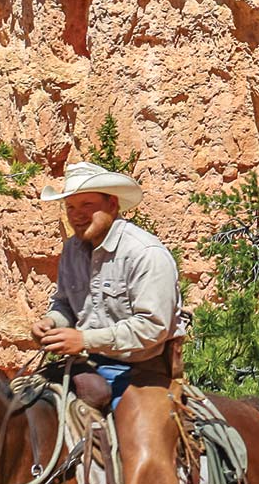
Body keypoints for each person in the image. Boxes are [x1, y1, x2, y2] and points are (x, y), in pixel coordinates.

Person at [31, 161, 186, 410]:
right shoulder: (72, 250)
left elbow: (154, 326)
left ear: (112, 205)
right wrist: (52, 323)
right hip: (86, 365)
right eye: (70, 207)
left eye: (87, 205)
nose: (77, 215)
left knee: (142, 448)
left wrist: (85, 340)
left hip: (143, 374)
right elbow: (64, 304)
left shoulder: (144, 253)